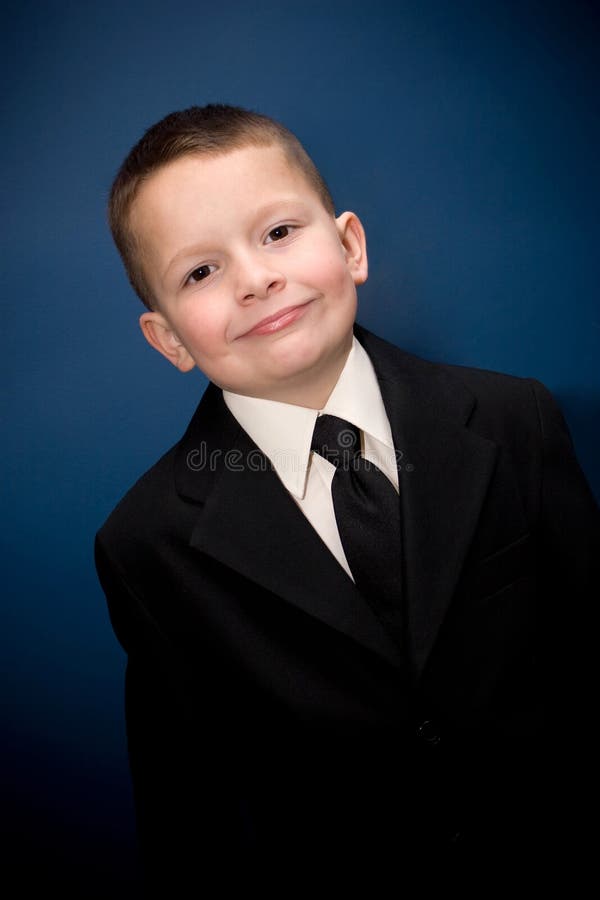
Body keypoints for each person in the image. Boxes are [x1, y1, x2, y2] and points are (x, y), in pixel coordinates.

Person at [95, 104, 599, 892]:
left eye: (277, 233)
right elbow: (190, 811)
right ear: (169, 340)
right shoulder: (146, 543)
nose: (257, 279)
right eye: (202, 271)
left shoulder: (514, 419)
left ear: (351, 246)